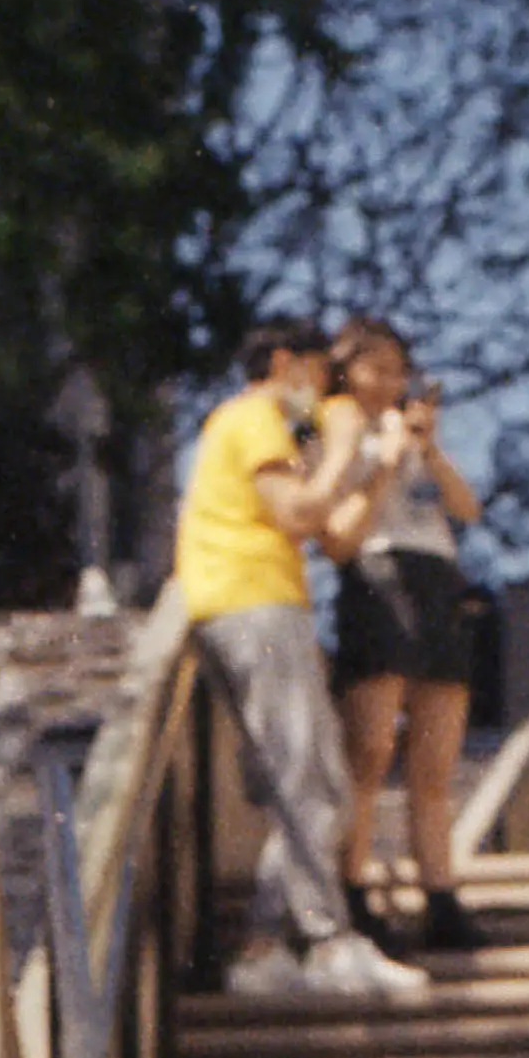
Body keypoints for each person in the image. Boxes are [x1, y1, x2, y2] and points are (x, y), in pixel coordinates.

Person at [173, 318, 422, 1003]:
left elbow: (334, 532)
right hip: (252, 602)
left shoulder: (246, 424)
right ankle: (325, 943)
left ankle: (268, 949)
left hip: (250, 603)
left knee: (308, 783)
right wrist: (342, 447)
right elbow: (297, 511)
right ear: (285, 363)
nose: (318, 397)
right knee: (313, 779)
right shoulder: (253, 415)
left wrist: (372, 469)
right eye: (315, 375)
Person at [321, 319, 487, 960]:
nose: (391, 381)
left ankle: (441, 895)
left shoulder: (410, 429)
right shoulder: (324, 425)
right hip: (376, 571)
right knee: (369, 749)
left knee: (437, 760)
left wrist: (428, 449)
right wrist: (382, 464)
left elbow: (466, 509)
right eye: (378, 367)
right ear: (347, 366)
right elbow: (333, 526)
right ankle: (353, 888)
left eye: (400, 369)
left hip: (435, 572)